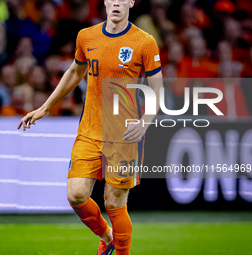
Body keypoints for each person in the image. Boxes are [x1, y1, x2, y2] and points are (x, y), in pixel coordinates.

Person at [18, 0, 163, 254]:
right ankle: (107, 237)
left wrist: (144, 123)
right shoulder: (86, 36)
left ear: (131, 2)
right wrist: (45, 107)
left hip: (124, 134)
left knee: (113, 201)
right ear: (105, 2)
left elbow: (157, 91)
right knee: (75, 195)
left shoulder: (145, 42)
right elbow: (75, 72)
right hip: (90, 130)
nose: (116, 3)